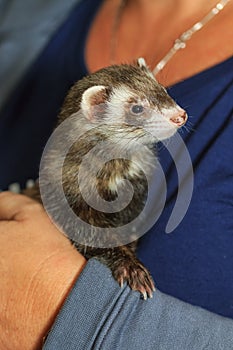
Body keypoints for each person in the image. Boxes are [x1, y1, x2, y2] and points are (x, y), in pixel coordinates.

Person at [0, 0, 233, 348]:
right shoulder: (26, 13)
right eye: (137, 109)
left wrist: (71, 314)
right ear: (96, 110)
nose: (178, 113)